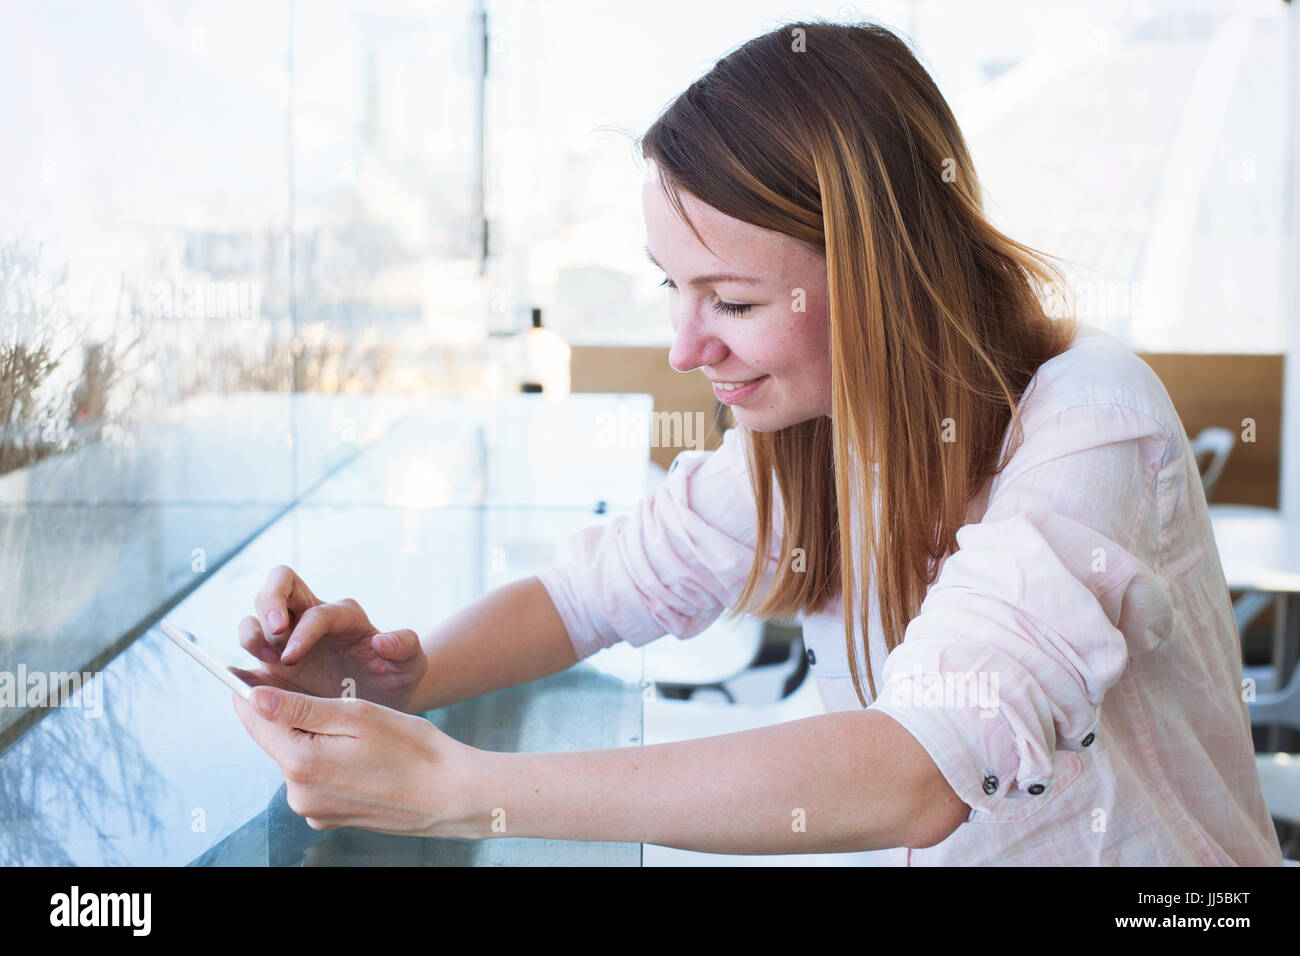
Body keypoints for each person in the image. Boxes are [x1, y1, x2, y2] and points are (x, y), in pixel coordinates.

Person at [229, 19, 1284, 865]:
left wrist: (462, 793)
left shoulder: (1089, 423)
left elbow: (913, 774)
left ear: (881, 277)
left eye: (729, 299)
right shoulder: (817, 436)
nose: (684, 346)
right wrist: (393, 680)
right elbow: (588, 593)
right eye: (671, 287)